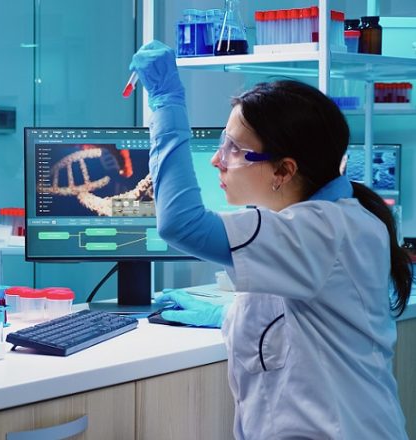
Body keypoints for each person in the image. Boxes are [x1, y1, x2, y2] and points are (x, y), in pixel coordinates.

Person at [130, 40, 411, 439]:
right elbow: (299, 318)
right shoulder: (312, 222)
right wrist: (227, 314)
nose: (217, 159)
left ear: (283, 170)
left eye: (233, 149)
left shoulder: (322, 230)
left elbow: (181, 223)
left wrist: (166, 104)